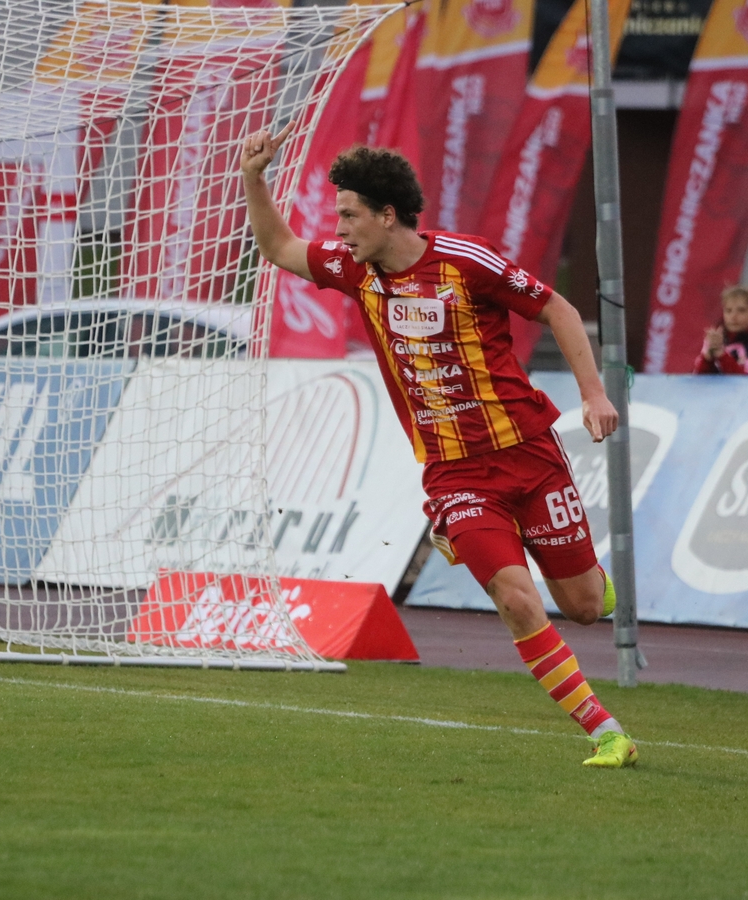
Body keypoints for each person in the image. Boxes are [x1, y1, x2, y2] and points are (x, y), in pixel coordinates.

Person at [242, 127, 637, 769]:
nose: (338, 229)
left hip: (529, 454)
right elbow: (279, 247)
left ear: (386, 215)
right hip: (455, 474)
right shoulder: (353, 269)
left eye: (349, 215)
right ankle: (605, 731)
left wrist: (593, 395)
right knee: (516, 599)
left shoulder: (466, 261)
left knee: (585, 608)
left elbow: (558, 309)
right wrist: (253, 178)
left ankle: (591, 580)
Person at [692, 284, 748, 376]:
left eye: (741, 310)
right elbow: (699, 381)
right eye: (728, 310)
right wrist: (707, 359)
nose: (733, 316)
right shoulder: (715, 342)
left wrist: (722, 356)